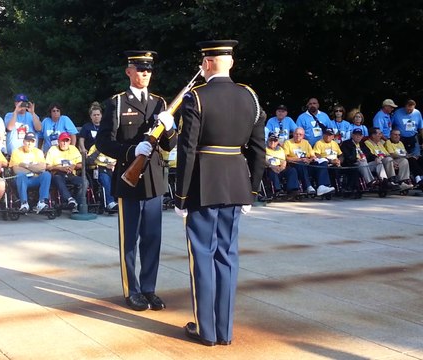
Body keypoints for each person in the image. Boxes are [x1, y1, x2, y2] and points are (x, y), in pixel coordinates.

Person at [174, 40, 264, 346]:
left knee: (202, 255)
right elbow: (258, 150)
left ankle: (206, 330)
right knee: (228, 256)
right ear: (231, 63)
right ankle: (225, 331)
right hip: (237, 183)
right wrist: (251, 190)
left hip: (204, 183)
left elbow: (187, 150)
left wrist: (181, 196)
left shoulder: (196, 98)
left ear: (207, 63)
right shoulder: (249, 97)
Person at [97, 50, 176, 312]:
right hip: (129, 179)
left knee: (152, 238)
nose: (145, 74)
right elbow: (103, 142)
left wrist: (170, 127)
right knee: (129, 239)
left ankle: (149, 288)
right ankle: (133, 290)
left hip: (154, 179)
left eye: (149, 69)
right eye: (140, 69)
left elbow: (169, 143)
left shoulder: (159, 103)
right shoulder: (117, 103)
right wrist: (131, 151)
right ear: (128, 71)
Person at [282, 127, 336, 196]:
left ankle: (322, 186)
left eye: (300, 134)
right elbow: (286, 158)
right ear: (293, 134)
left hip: (307, 164)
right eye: (296, 134)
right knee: (301, 163)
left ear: (303, 136)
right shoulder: (288, 142)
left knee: (323, 161)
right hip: (295, 165)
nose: (298, 136)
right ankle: (308, 186)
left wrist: (309, 160)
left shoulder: (306, 142)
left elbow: (313, 156)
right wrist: (300, 159)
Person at [9, 132, 51, 213]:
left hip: (35, 179)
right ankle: (24, 203)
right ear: (24, 141)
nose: (29, 144)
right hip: (21, 180)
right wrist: (35, 168)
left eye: (32, 141)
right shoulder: (16, 152)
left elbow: (42, 168)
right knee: (20, 175)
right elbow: (16, 170)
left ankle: (42, 202)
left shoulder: (38, 152)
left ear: (35, 143)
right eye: (28, 141)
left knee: (46, 175)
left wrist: (25, 165)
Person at [45, 132, 83, 209]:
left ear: (69, 142)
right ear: (58, 141)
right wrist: (59, 168)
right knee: (58, 178)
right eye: (63, 141)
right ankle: (70, 199)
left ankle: (77, 204)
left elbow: (81, 164)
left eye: (67, 141)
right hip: (58, 174)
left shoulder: (73, 149)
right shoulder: (53, 149)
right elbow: (47, 166)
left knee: (84, 182)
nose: (65, 143)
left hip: (71, 174)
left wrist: (74, 166)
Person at [264, 133, 299, 198]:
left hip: (280, 167)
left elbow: (283, 160)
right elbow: (263, 160)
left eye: (275, 141)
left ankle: (292, 189)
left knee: (292, 170)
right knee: (272, 172)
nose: (273, 142)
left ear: (277, 142)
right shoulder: (264, 149)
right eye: (271, 140)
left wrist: (282, 167)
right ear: (268, 140)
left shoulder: (280, 149)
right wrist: (272, 166)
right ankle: (277, 190)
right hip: (270, 168)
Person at [86, 144, 117, 211]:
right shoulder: (95, 147)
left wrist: (114, 165)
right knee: (105, 179)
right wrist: (99, 150)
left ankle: (119, 202)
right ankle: (110, 202)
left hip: (114, 168)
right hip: (100, 168)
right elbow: (89, 161)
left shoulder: (114, 146)